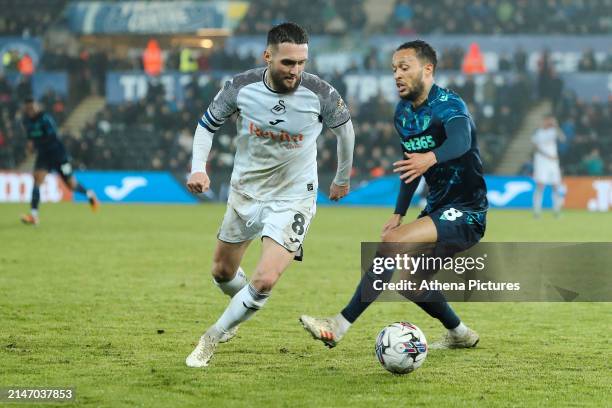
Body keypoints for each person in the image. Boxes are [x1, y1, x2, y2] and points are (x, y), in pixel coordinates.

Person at [184, 22, 355, 368]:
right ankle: (242, 303)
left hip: (295, 197)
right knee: (221, 271)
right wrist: (198, 167)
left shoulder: (320, 93)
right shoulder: (239, 87)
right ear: (267, 56)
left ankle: (212, 336)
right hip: (245, 191)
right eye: (287, 63)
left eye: (301, 63)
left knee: (264, 279)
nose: (295, 71)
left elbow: (345, 132)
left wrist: (341, 178)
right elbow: (206, 125)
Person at [300, 40, 488, 350]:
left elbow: (462, 142)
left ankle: (339, 324)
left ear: (427, 70)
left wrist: (432, 158)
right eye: (394, 69)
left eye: (404, 67)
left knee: (392, 243)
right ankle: (460, 334)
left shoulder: (450, 105)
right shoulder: (403, 114)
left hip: (468, 211)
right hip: (437, 209)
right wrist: (399, 212)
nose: (397, 75)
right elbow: (410, 168)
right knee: (411, 283)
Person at [20, 97, 98, 225]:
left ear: (37, 106)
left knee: (71, 185)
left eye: (32, 107)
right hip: (43, 156)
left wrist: (37, 142)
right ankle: (34, 216)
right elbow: (30, 138)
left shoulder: (45, 118)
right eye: (28, 108)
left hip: (59, 156)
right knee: (37, 180)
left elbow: (52, 136)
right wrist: (29, 147)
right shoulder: (26, 121)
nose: (31, 110)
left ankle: (90, 194)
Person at [531, 115, 565, 218]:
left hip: (553, 163)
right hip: (541, 162)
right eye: (546, 121)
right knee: (540, 186)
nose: (548, 123)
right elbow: (535, 147)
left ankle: (557, 211)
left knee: (556, 186)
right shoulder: (538, 132)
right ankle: (537, 212)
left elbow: (563, 138)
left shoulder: (553, 131)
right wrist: (548, 156)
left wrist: (557, 126)